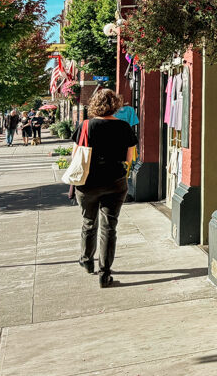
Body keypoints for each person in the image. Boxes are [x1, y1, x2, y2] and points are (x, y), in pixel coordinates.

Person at [74, 89, 137, 287]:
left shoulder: (85, 125)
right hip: (115, 181)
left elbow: (76, 155)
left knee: (88, 222)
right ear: (116, 104)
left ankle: (86, 261)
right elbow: (129, 158)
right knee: (109, 227)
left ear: (94, 104)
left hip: (87, 183)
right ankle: (105, 273)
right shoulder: (125, 127)